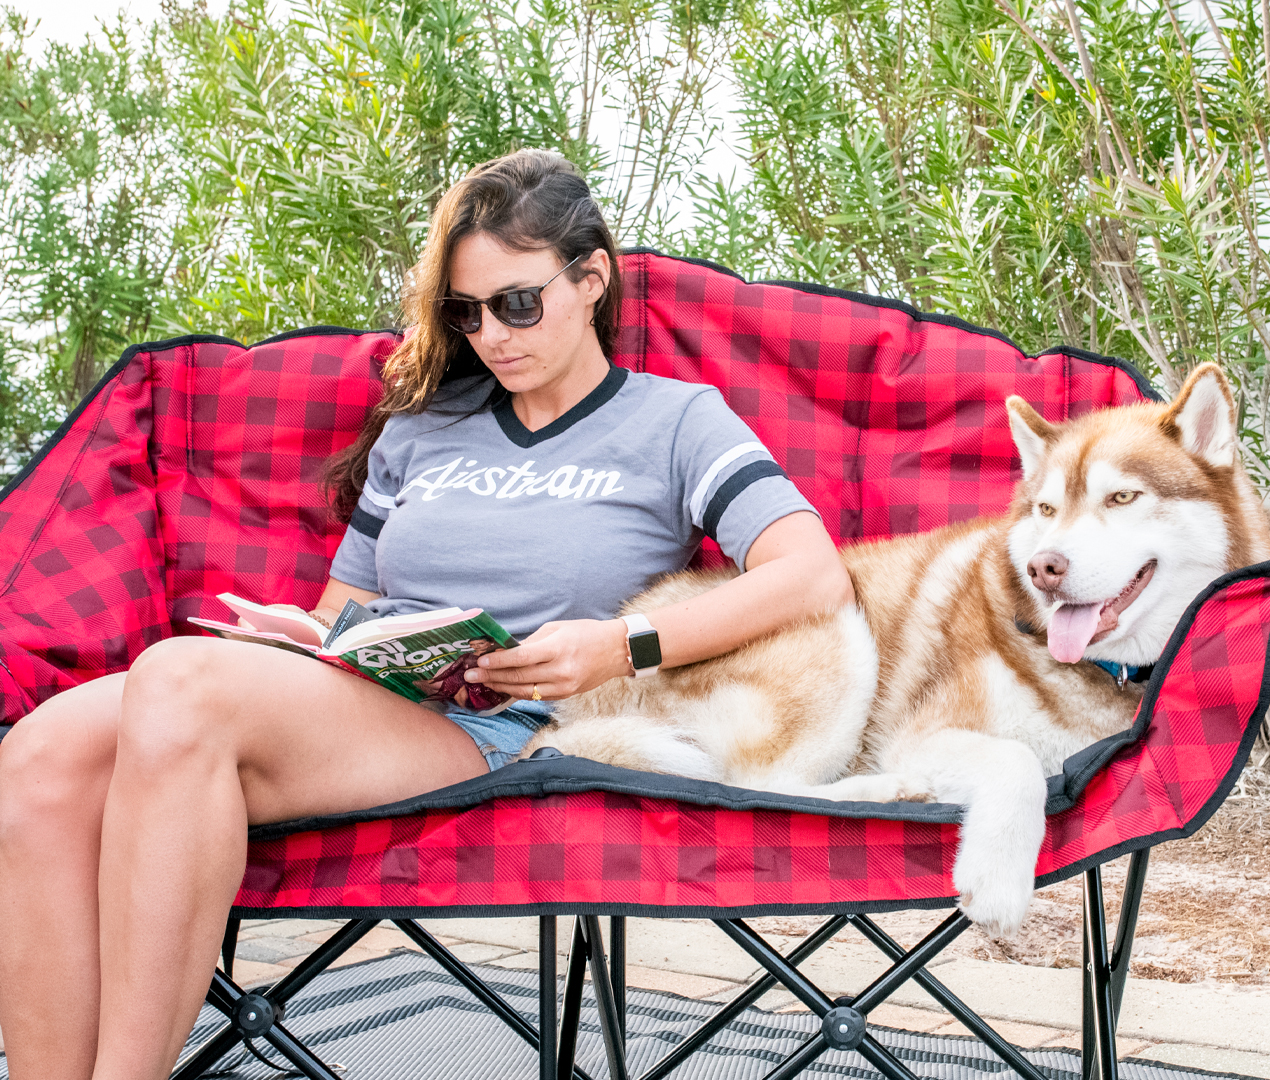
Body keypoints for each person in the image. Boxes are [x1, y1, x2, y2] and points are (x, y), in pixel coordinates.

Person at [0, 149, 854, 1080]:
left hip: (501, 715)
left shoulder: (678, 421)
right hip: (365, 684)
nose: (492, 333)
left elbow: (811, 576)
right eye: (466, 311)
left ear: (592, 277)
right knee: (40, 754)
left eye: (517, 303)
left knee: (175, 682)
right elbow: (348, 605)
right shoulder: (423, 426)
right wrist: (311, 633)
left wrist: (618, 647)